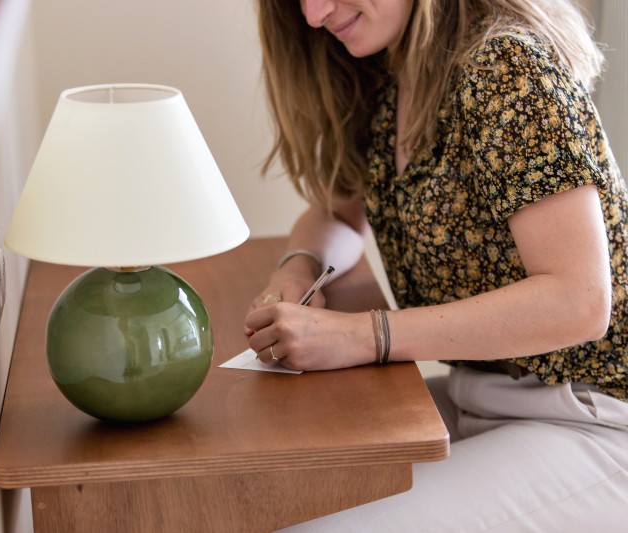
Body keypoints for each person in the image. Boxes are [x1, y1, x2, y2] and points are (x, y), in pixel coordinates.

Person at [244, 0, 628, 529]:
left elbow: (579, 301)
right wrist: (298, 269)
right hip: (483, 395)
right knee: (265, 483)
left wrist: (362, 336)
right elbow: (340, 211)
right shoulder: (396, 73)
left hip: (597, 417)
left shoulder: (505, 65)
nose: (313, 14)